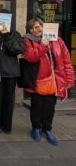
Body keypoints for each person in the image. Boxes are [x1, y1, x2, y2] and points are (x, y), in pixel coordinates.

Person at [23, 18, 74, 146]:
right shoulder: (28, 40)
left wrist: (69, 79)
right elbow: (31, 57)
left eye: (40, 26)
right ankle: (35, 128)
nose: (39, 29)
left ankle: (47, 129)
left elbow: (66, 60)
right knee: (36, 107)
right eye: (35, 27)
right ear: (30, 30)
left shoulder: (58, 40)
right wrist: (43, 45)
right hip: (37, 80)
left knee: (49, 107)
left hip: (54, 80)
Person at [0, 10, 24, 134]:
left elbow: (18, 50)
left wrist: (7, 36)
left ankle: (7, 126)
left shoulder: (15, 34)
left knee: (8, 101)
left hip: (10, 73)